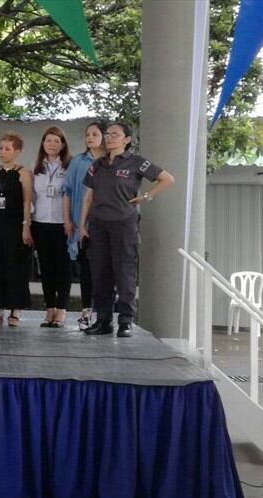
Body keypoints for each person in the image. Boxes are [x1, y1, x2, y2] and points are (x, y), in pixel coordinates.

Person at [80, 122, 174, 337]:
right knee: (100, 273)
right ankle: (103, 321)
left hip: (124, 223)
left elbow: (167, 179)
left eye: (116, 134)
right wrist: (81, 225)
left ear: (127, 139)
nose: (110, 137)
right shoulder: (98, 164)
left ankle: (125, 321)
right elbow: (89, 196)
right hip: (98, 224)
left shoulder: (136, 162)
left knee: (124, 273)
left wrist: (147, 196)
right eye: (108, 134)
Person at [0, 132, 33, 326]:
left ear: (17, 151)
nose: (3, 152)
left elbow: (27, 201)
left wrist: (26, 226)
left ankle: (16, 307)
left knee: (15, 265)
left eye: (7, 148)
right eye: (1, 148)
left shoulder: (23, 173)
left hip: (15, 223)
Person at [63, 121, 105, 329]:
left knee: (105, 270)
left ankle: (104, 314)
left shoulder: (111, 162)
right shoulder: (78, 161)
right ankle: (86, 312)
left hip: (106, 222)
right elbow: (67, 192)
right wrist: (68, 221)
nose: (90, 138)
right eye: (87, 134)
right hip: (82, 224)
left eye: (95, 134)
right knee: (86, 269)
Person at [31, 126, 72, 328]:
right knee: (46, 268)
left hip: (62, 224)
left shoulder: (69, 167)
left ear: (63, 144)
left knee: (63, 268)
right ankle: (49, 308)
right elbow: (33, 196)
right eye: (48, 141)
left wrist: (69, 222)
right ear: (43, 144)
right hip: (40, 223)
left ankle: (62, 308)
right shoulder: (38, 167)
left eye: (56, 141)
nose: (52, 144)